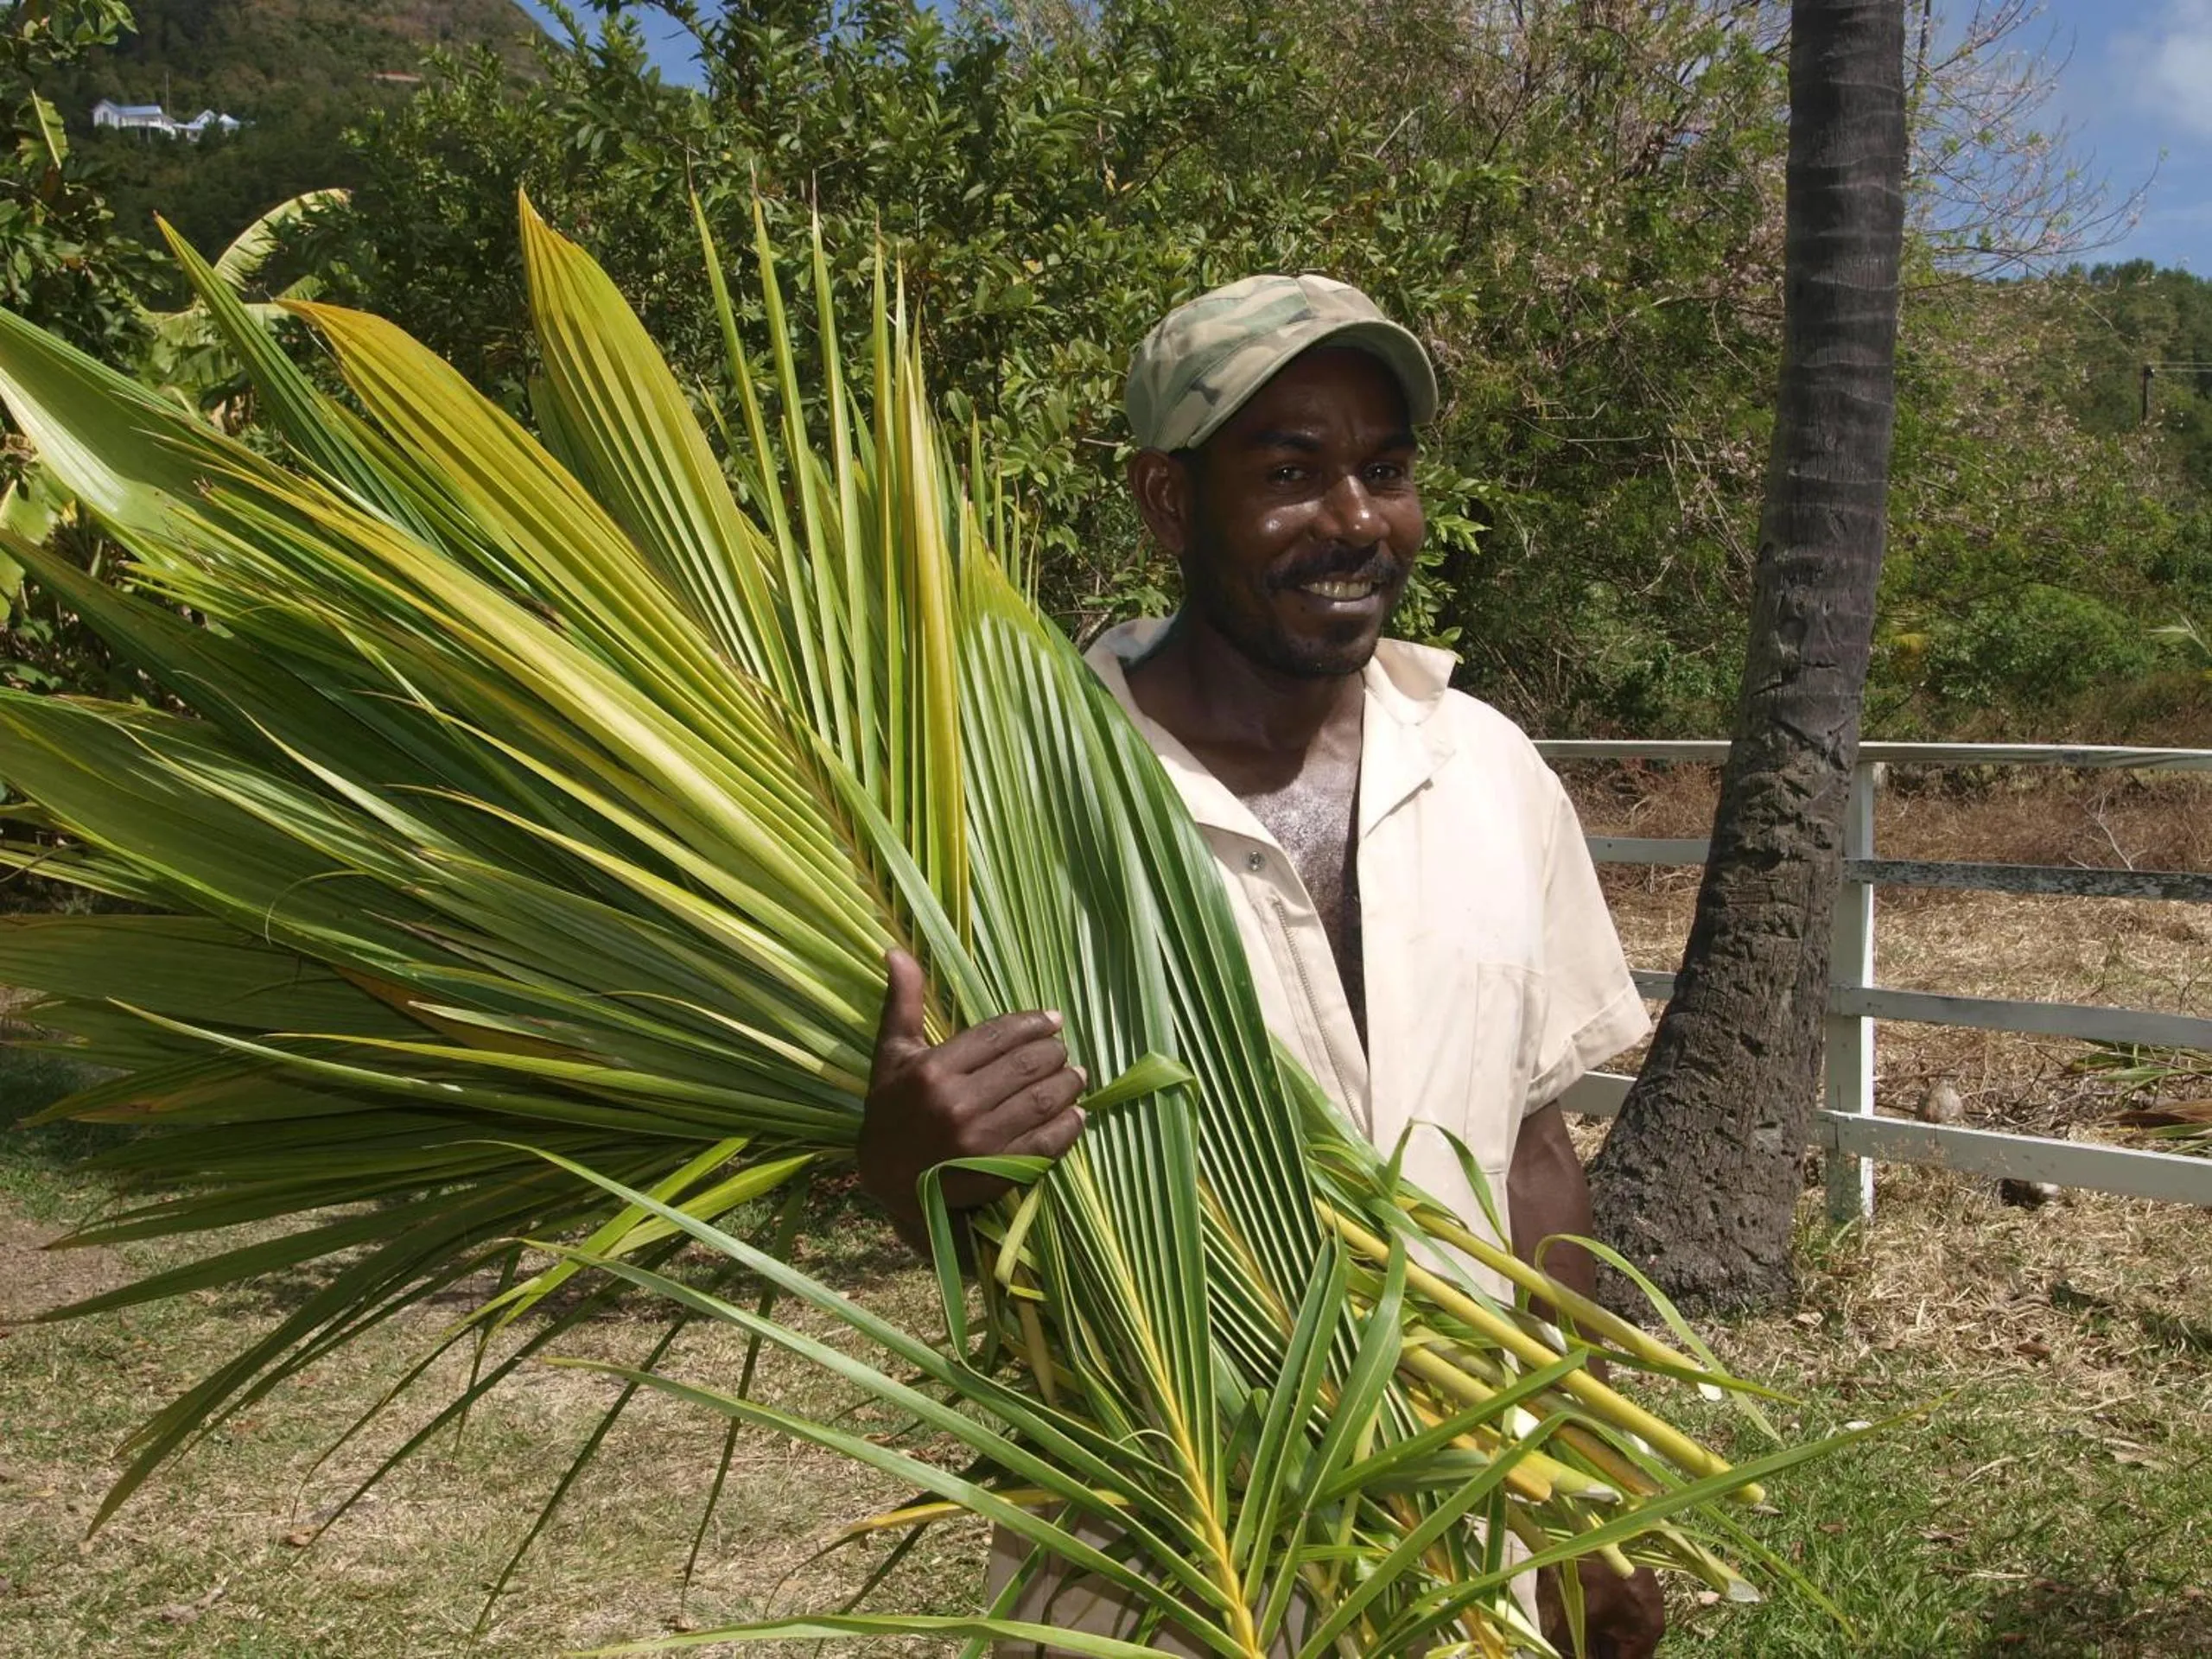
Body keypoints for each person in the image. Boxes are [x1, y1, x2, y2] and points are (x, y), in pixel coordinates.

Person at [859, 274, 1664, 1656]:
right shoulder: (1008, 795)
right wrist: (901, 1165)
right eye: (1292, 472)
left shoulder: (1491, 773)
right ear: (1170, 502)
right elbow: (940, 1175)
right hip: (1163, 1556)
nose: (1356, 521)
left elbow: (1531, 1149)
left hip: (1471, 1534)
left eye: (1385, 470)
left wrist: (1592, 1486)